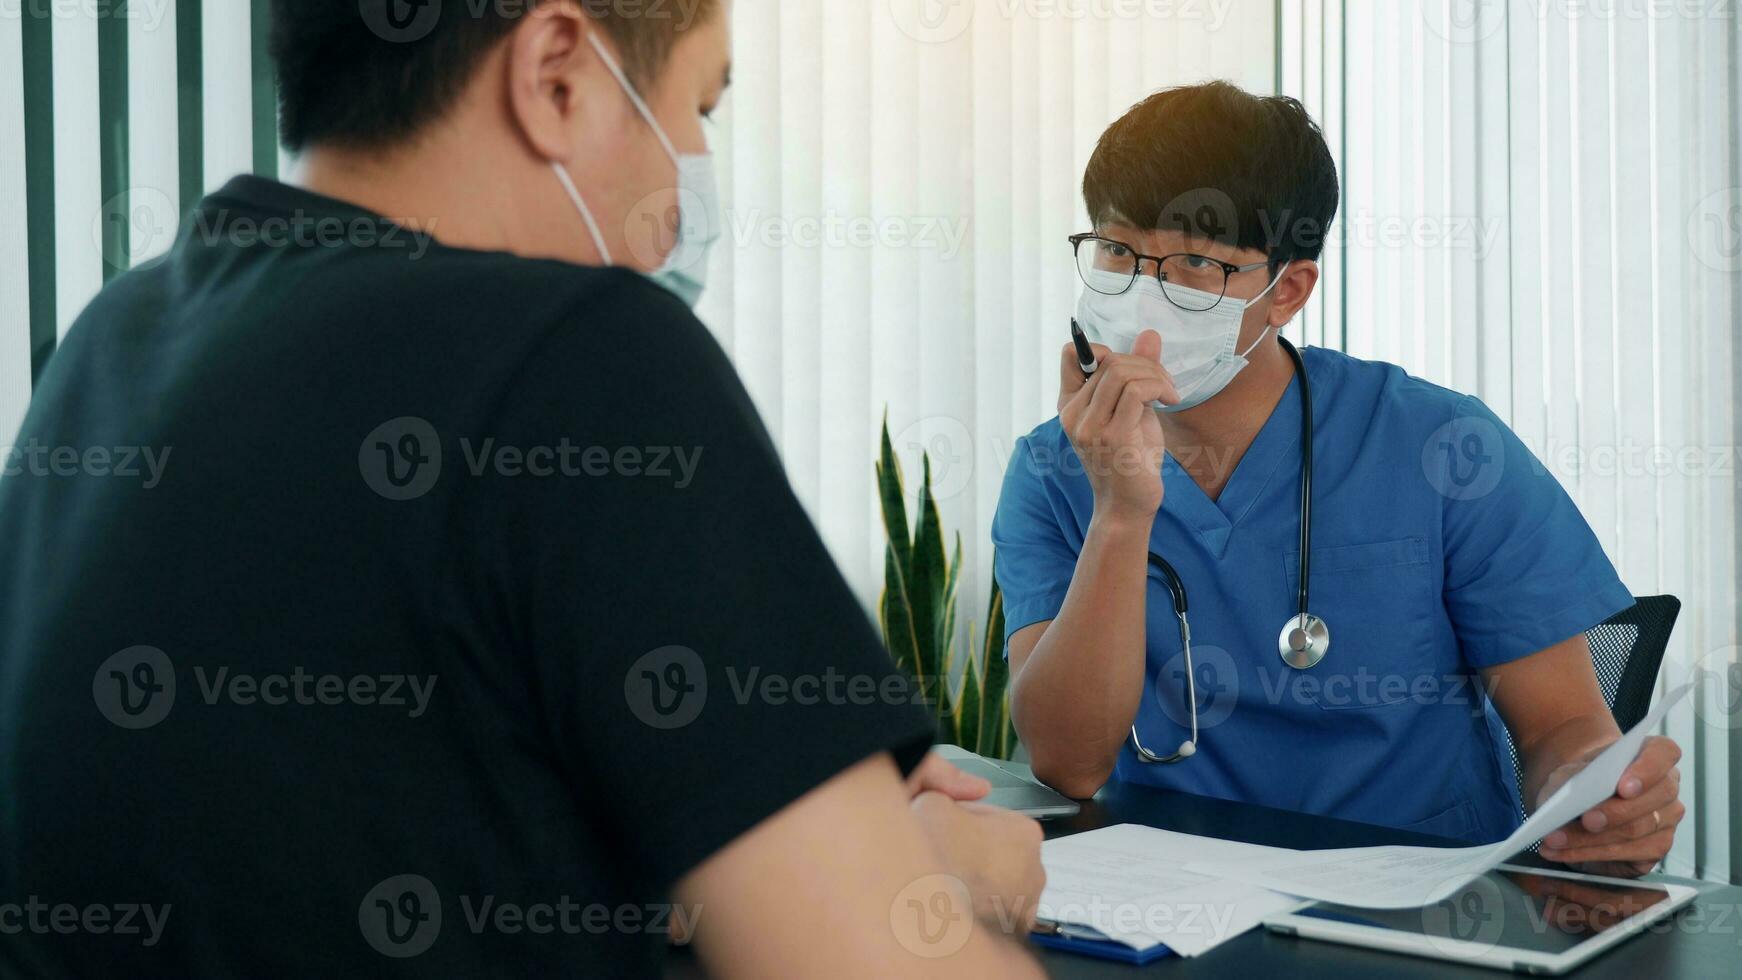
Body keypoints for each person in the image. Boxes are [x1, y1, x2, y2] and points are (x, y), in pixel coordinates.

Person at [0, 1, 1044, 975]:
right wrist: (947, 887)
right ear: (556, 76)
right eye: (699, 104)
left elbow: (330, 821)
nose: (696, 163)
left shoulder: (115, 342)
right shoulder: (580, 357)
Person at [993, 82, 1683, 877]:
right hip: (1168, 899)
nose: (1144, 292)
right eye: (1117, 251)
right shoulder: (1050, 471)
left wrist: (1601, 798)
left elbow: (1564, 728)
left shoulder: (1442, 445)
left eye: (1194, 264)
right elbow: (1068, 766)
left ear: (1287, 290)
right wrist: (1120, 510)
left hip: (1421, 905)